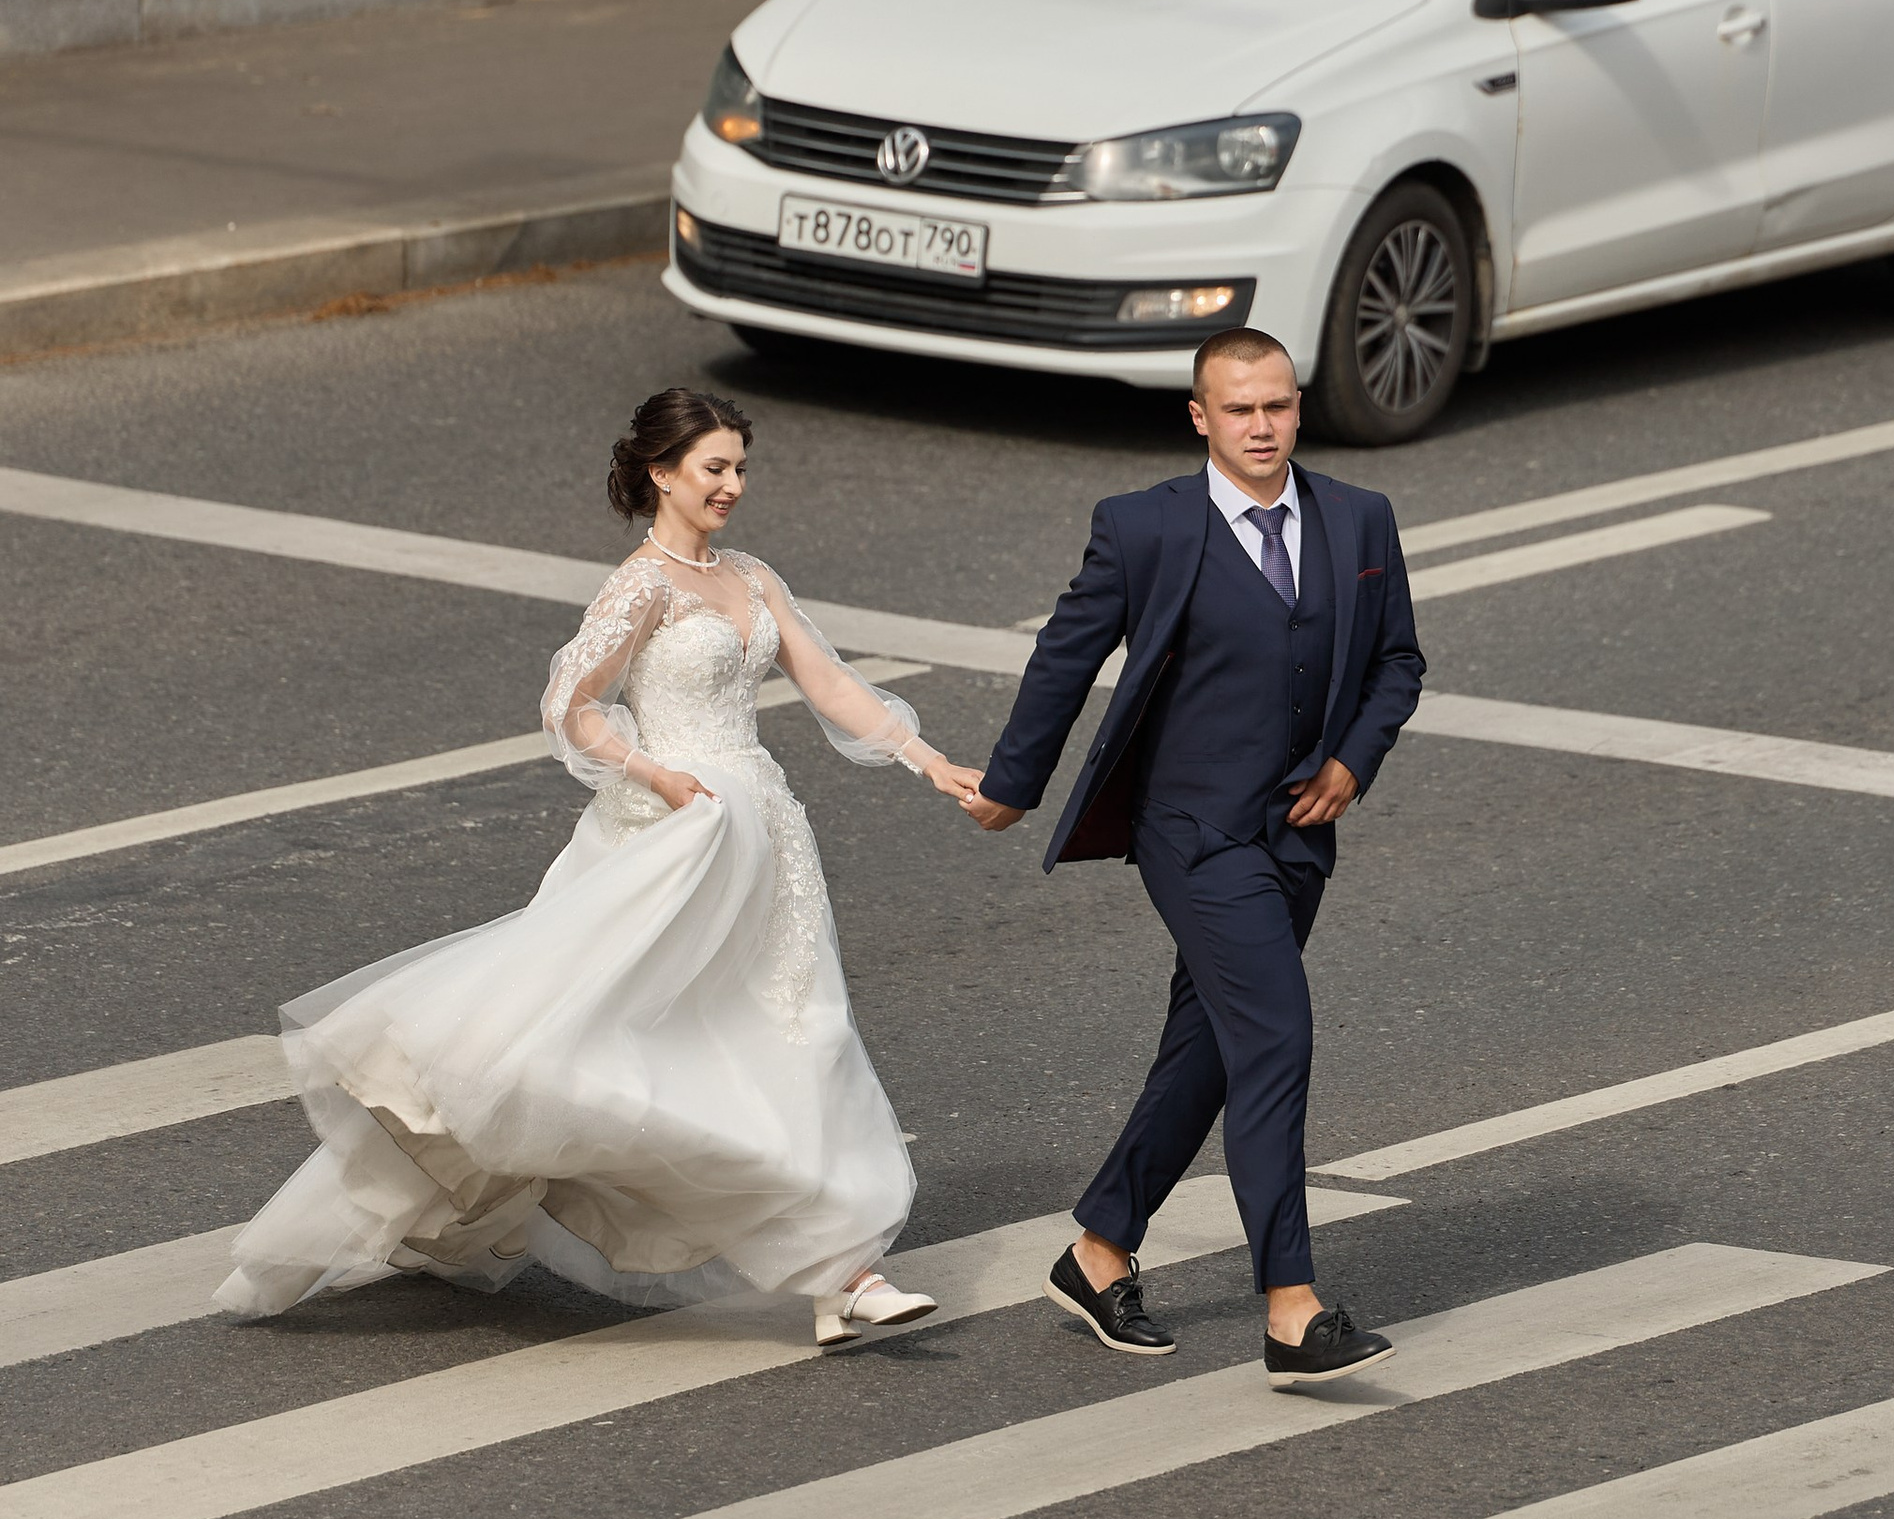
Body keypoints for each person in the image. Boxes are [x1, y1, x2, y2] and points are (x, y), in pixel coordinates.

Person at [215, 388, 983, 1345]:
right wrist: (651, 770)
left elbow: (826, 682)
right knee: (606, 1050)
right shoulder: (642, 585)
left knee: (800, 1028)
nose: (732, 485)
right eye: (714, 468)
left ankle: (840, 1278)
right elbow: (570, 705)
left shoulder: (751, 577)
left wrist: (931, 761)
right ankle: (820, 1262)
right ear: (662, 473)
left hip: (768, 839)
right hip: (676, 839)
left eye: (740, 467)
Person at [966, 329, 1426, 1386]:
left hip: (1299, 836)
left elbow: (1398, 659)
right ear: (1200, 418)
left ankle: (1097, 1250)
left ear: (1297, 406)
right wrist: (1010, 783)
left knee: (1210, 1048)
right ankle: (1292, 1306)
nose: (1261, 426)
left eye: (1277, 405)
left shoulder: (1359, 518)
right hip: (1192, 832)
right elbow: (1064, 653)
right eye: (1239, 410)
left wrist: (1354, 762)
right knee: (1274, 1034)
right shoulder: (1143, 530)